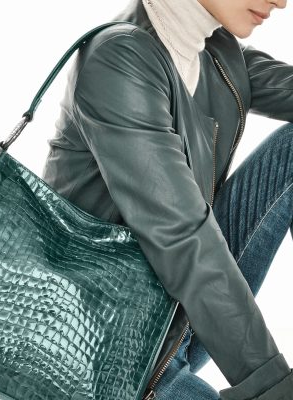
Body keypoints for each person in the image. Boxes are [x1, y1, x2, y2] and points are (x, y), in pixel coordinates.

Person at [41, 0, 293, 398]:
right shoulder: (118, 57)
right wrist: (273, 386)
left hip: (177, 317)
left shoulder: (212, 49)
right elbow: (183, 236)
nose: (281, 1)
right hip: (108, 358)